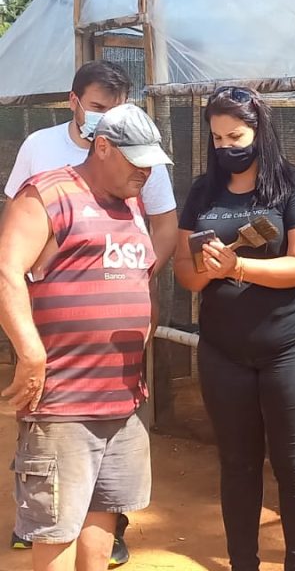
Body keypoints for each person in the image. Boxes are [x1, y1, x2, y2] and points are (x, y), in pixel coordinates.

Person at [4, 59, 178, 566]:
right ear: (102, 147)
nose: (145, 172)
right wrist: (31, 353)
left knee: (105, 514)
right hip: (64, 401)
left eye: (150, 163)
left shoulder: (132, 204)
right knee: (56, 529)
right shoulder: (48, 194)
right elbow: (5, 270)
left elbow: (138, 275)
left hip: (121, 400)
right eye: (136, 161)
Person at [174, 86, 295, 571]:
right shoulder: (203, 191)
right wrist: (207, 268)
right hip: (224, 350)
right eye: (217, 138)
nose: (226, 147)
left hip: (292, 345)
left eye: (235, 137)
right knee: (237, 464)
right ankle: (243, 564)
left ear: (260, 131)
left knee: (294, 465)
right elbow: (185, 273)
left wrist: (236, 267)